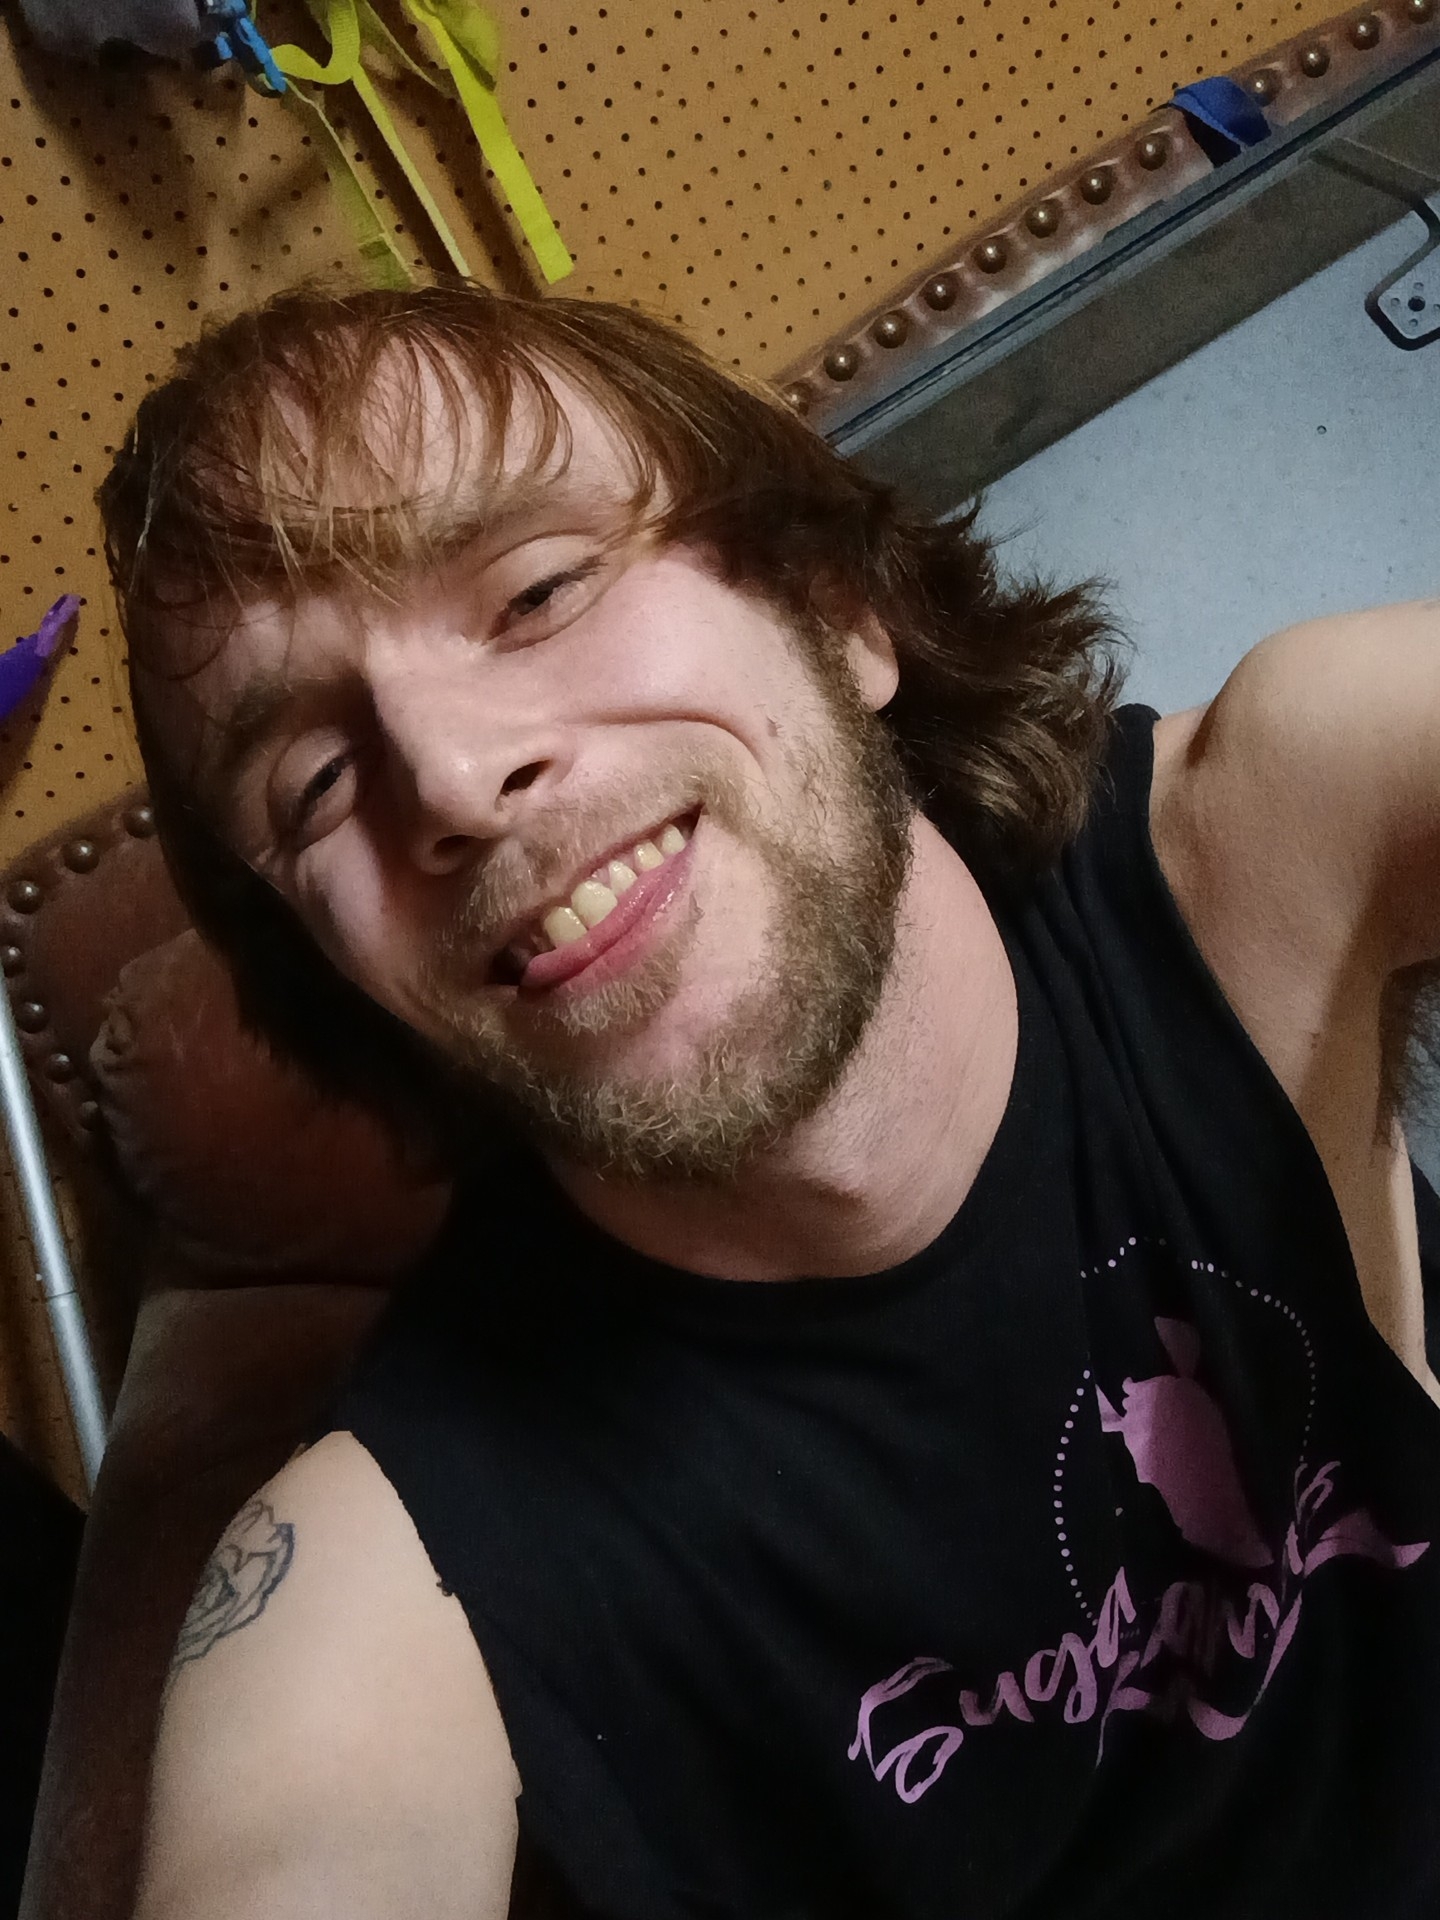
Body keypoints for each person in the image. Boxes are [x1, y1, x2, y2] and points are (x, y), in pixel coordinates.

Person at [101, 281, 1440, 1920]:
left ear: (833, 607)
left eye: (538, 590)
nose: (449, 782)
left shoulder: (1263, 843)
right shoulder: (397, 1571)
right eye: (314, 784)